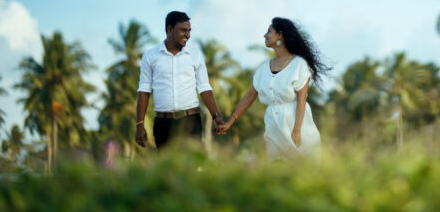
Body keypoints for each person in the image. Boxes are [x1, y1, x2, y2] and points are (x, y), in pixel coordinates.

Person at [216, 17, 329, 160]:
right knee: (277, 169)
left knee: (302, 171)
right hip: (273, 125)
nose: (265, 35)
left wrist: (296, 130)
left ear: (280, 35)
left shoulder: (299, 64)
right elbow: (250, 96)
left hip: (296, 124)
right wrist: (230, 123)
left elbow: (302, 99)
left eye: (269, 31)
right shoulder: (264, 68)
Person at [135, 11, 225, 150]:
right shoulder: (150, 56)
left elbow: (204, 88)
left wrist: (216, 116)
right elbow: (144, 90)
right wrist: (139, 124)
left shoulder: (195, 54)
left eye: (189, 31)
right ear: (170, 29)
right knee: (167, 170)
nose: (188, 35)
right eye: (183, 30)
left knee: (194, 168)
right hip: (163, 124)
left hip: (191, 122)